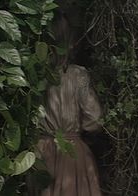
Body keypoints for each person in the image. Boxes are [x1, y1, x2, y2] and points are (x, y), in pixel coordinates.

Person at [28, 10, 103, 196]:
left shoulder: (31, 75)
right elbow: (95, 119)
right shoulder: (77, 75)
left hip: (40, 152)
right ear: (69, 42)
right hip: (72, 153)